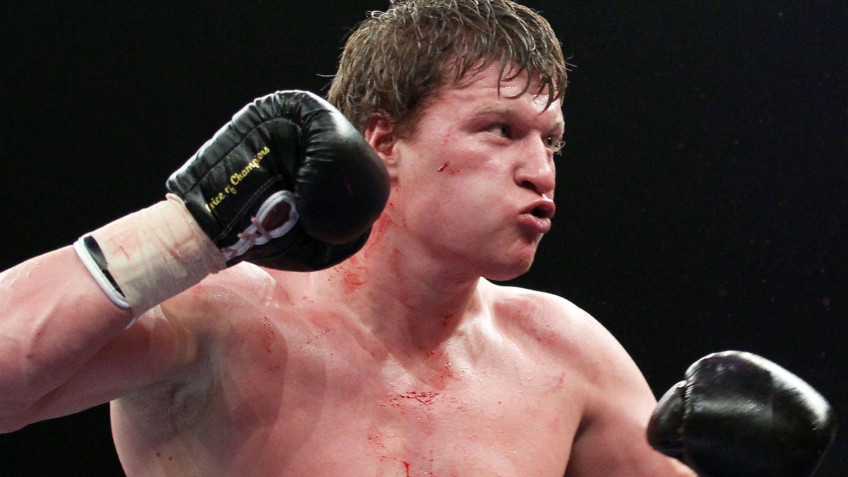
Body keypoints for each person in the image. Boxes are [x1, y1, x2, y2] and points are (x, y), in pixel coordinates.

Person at [0, 1, 834, 476]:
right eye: (499, 129)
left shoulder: (564, 355)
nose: (539, 169)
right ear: (381, 141)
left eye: (551, 140)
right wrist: (190, 223)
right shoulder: (222, 314)